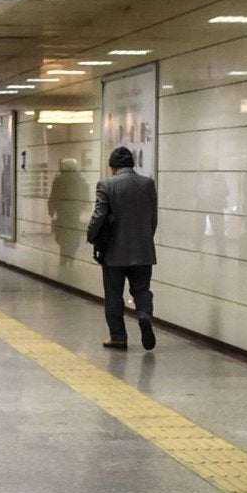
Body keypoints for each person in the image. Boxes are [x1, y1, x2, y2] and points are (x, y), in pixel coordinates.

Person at [88, 145, 158, 350]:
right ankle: (144, 314)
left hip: (114, 251)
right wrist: (145, 238)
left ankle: (118, 337)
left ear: (113, 167)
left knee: (113, 295)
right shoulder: (147, 184)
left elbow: (99, 215)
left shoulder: (106, 184)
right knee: (142, 289)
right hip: (143, 250)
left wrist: (92, 236)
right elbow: (153, 218)